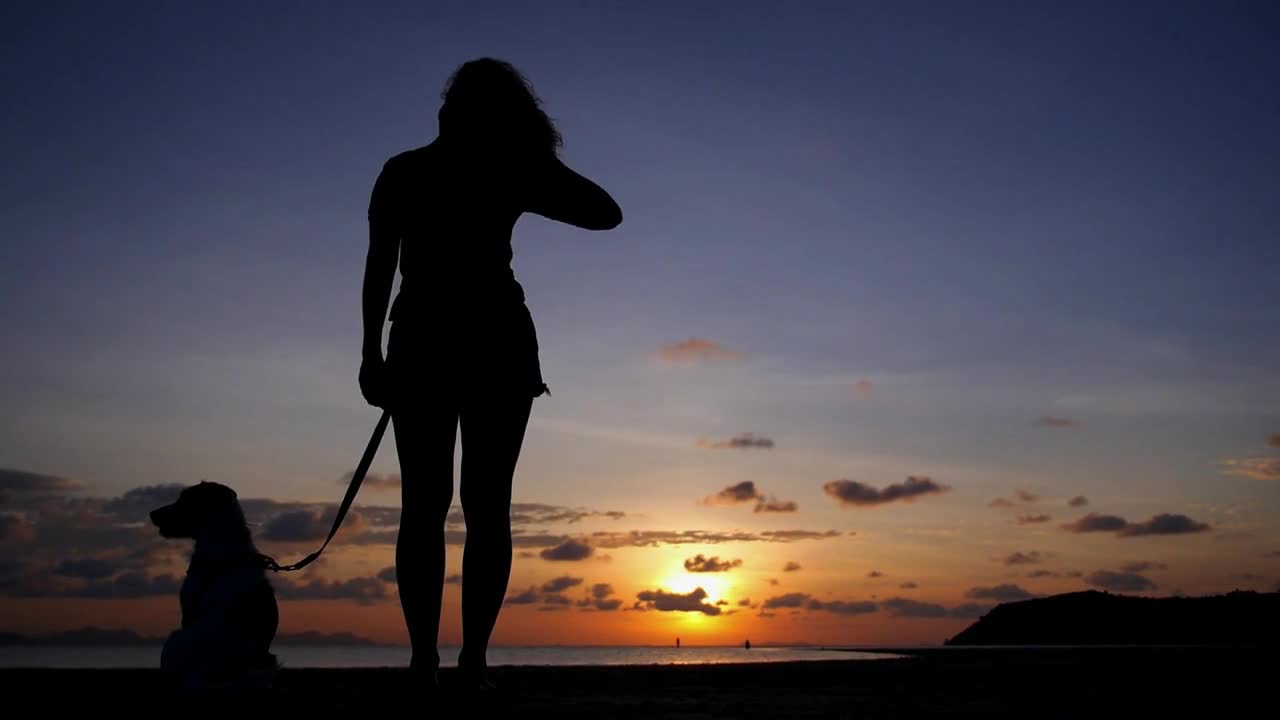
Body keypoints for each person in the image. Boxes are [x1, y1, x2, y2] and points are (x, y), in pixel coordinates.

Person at [358, 58, 622, 689]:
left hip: (426, 339)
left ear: (448, 107)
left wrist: (371, 352)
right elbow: (604, 211)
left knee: (428, 507)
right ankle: (467, 660)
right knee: (482, 507)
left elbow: (379, 270)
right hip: (490, 340)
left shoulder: (407, 171)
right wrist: (534, 161)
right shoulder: (507, 170)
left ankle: (432, 660)